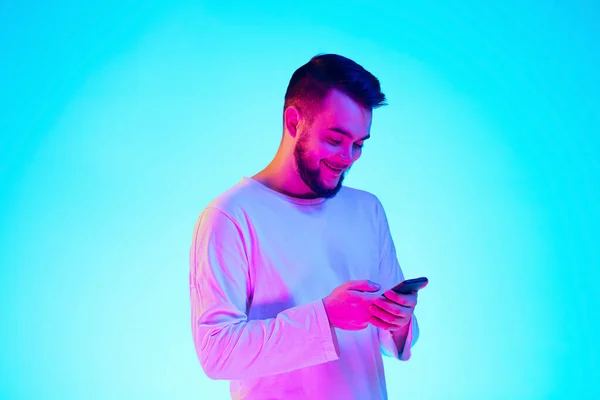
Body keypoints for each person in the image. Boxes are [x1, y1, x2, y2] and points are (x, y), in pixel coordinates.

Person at [189, 54, 422, 400]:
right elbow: (217, 352)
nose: (347, 157)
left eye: (358, 144)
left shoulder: (368, 209)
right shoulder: (231, 217)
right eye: (335, 139)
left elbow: (394, 341)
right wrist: (325, 316)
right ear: (294, 122)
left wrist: (398, 319)